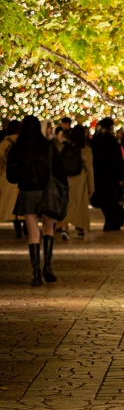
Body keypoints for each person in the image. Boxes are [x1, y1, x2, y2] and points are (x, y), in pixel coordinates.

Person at [5, 114, 67, 285]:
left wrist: (24, 177)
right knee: (49, 228)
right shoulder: (48, 147)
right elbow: (59, 170)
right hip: (47, 191)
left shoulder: (16, 149)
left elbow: (11, 176)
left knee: (33, 233)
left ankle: (35, 272)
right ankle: (47, 265)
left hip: (27, 193)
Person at [91, 118, 124, 230]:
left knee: (104, 200)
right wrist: (120, 176)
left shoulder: (96, 139)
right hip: (112, 175)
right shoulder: (112, 140)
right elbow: (118, 159)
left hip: (100, 174)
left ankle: (110, 221)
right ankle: (113, 222)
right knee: (112, 200)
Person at [61, 125, 94, 238]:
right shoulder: (86, 150)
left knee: (66, 204)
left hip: (66, 178)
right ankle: (80, 227)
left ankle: (64, 227)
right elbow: (89, 169)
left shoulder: (65, 148)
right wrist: (91, 187)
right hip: (80, 180)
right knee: (80, 204)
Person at [0, 120, 22, 237]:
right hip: (23, 175)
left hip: (8, 177)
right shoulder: (23, 141)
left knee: (12, 204)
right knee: (23, 202)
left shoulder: (4, 143)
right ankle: (27, 226)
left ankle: (17, 227)